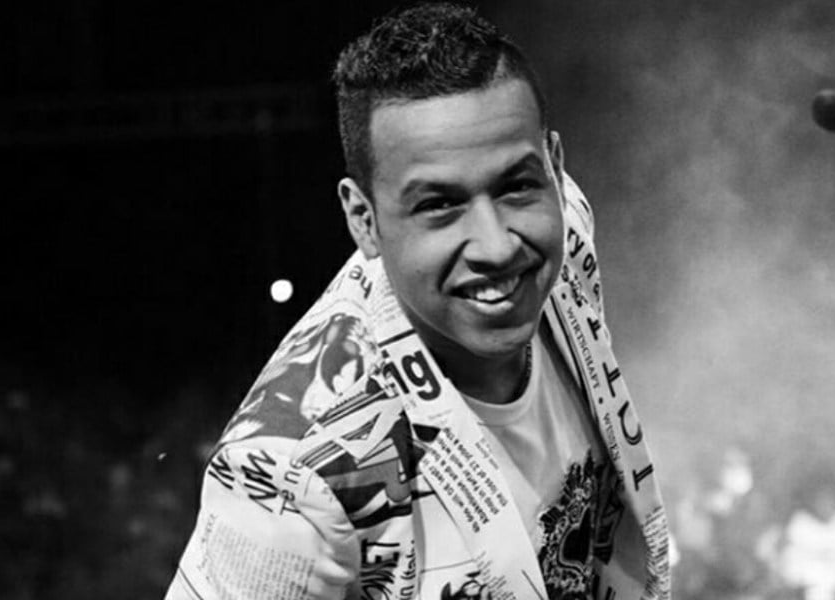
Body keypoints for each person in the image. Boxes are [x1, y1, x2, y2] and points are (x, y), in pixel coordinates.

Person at [164, 4, 669, 599]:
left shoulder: (568, 230)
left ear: (555, 173)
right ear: (363, 220)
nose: (497, 246)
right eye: (439, 206)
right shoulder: (293, 470)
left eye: (517, 186)